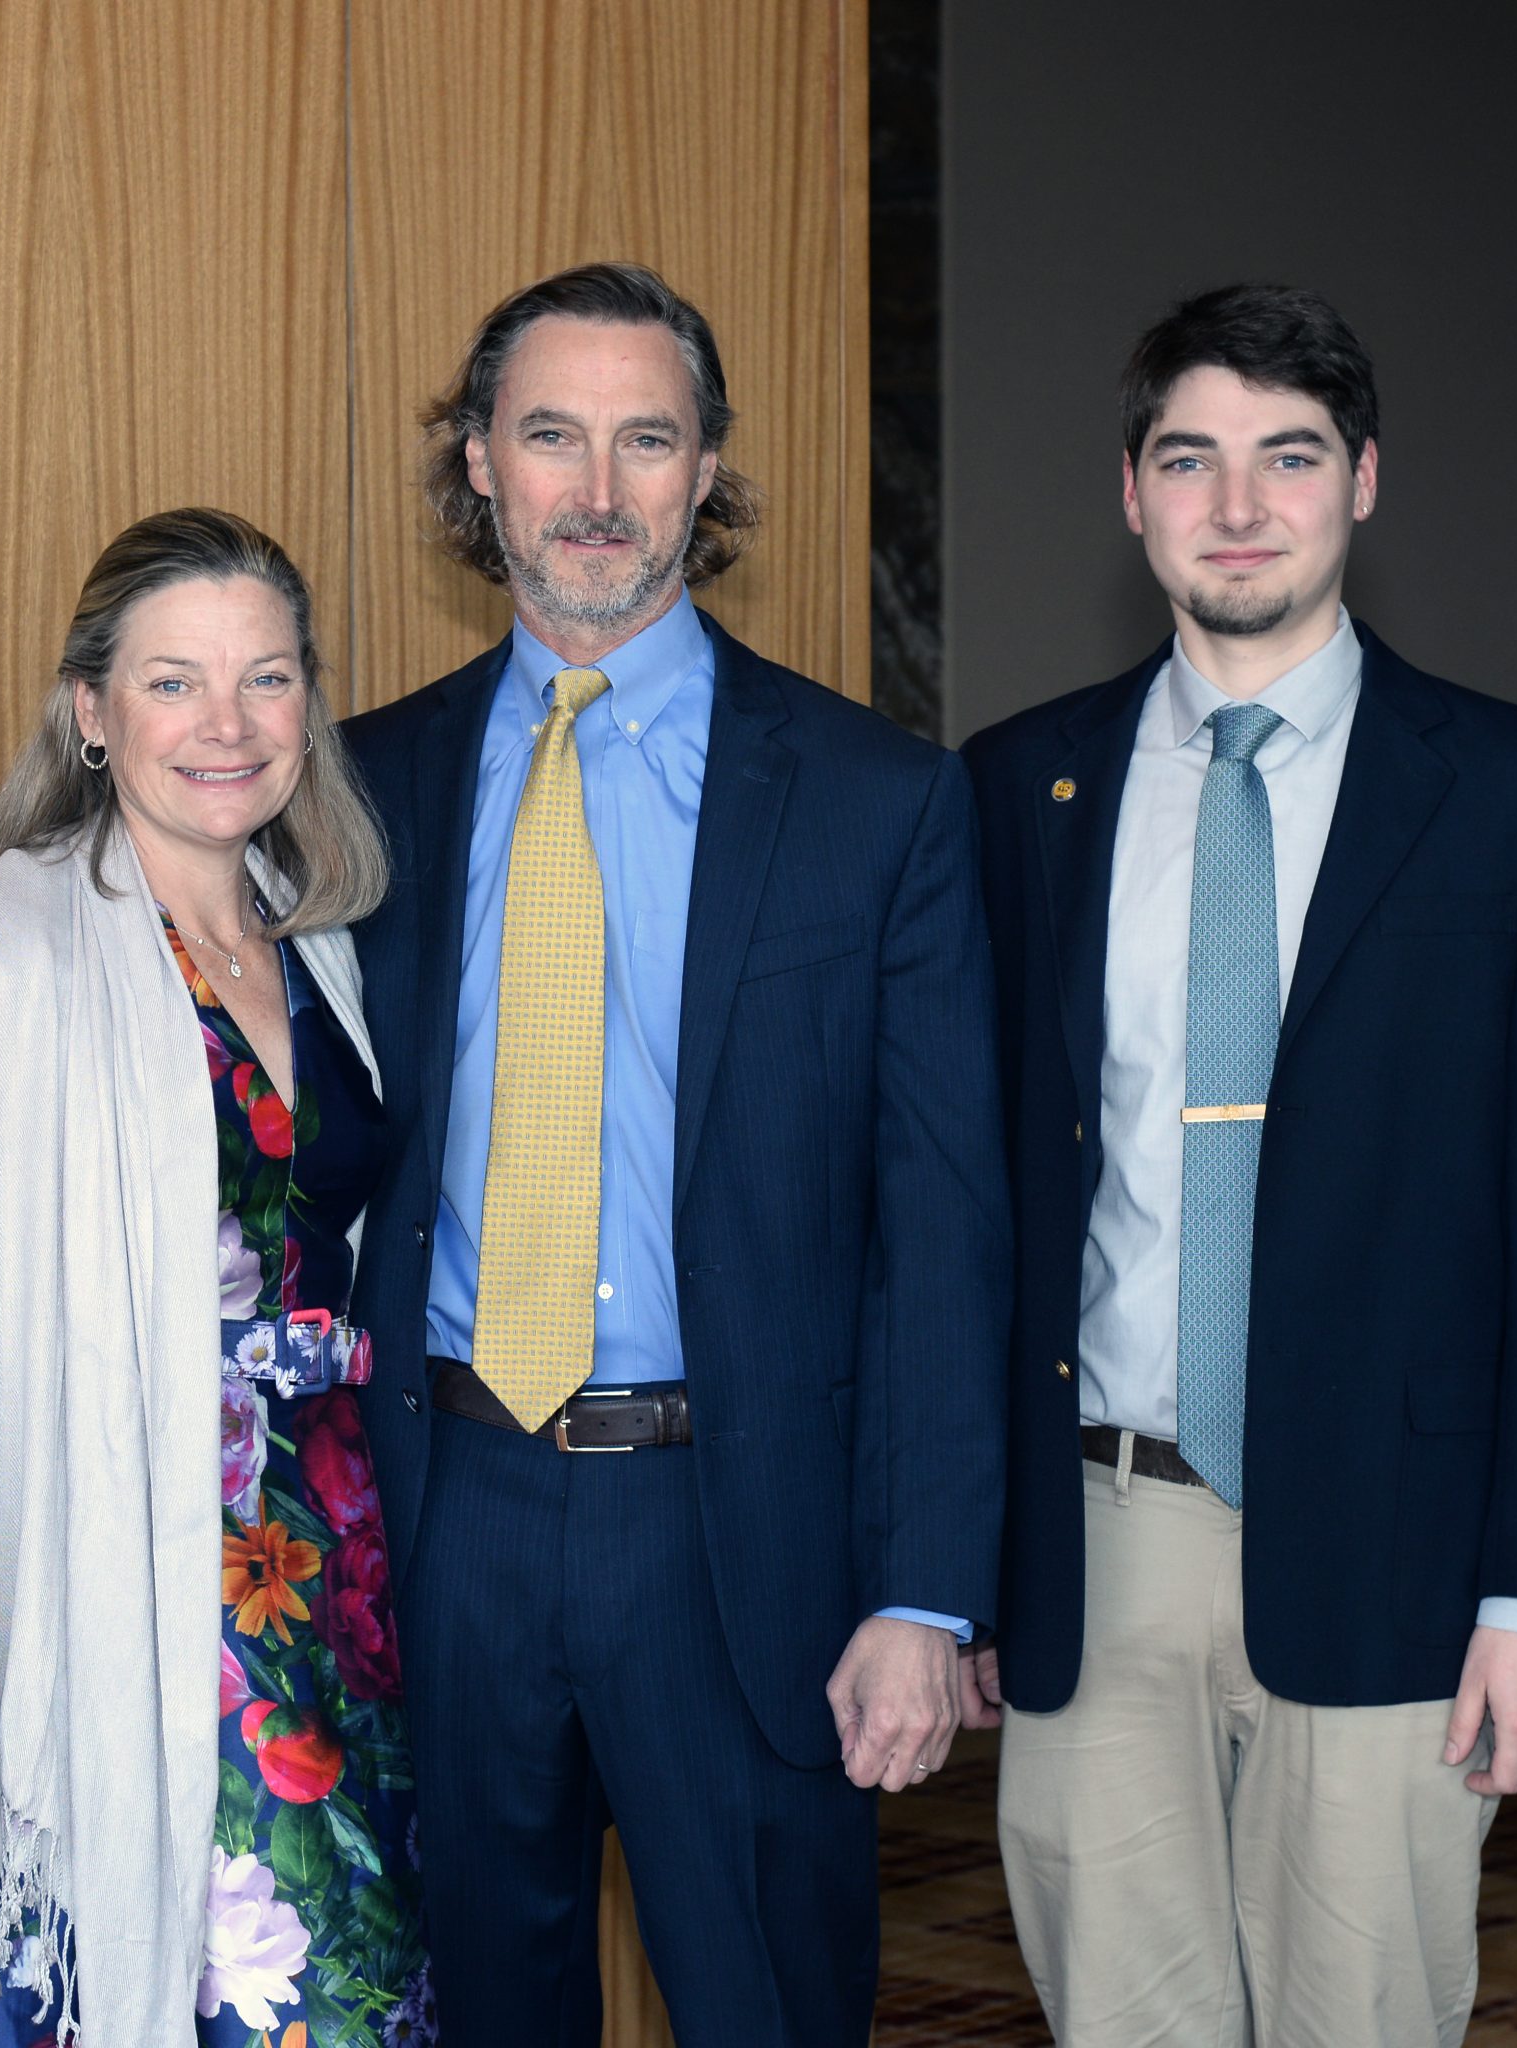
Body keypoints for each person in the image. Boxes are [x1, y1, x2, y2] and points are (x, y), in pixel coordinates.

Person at [960, 285, 1517, 2047]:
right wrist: (954, 1562)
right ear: (1132, 492)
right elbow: (971, 1210)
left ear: (1363, 482)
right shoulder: (1020, 787)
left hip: (1397, 1544)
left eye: (1290, 456)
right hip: (1097, 1539)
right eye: (1192, 459)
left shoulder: (1512, 789)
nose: (1240, 505)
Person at [339, 261, 1008, 2045]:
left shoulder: (877, 801)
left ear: (706, 471)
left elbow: (946, 1233)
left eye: (647, 440)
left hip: (740, 1533)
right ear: (479, 463)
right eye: (550, 435)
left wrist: (927, 1592)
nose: (597, 489)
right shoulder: (360, 790)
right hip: (448, 1514)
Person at [0, 509, 434, 2046]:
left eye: (268, 679)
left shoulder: (323, 944)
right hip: (109, 1629)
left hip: (334, 1602)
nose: (227, 724)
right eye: (173, 682)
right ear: (90, 712)